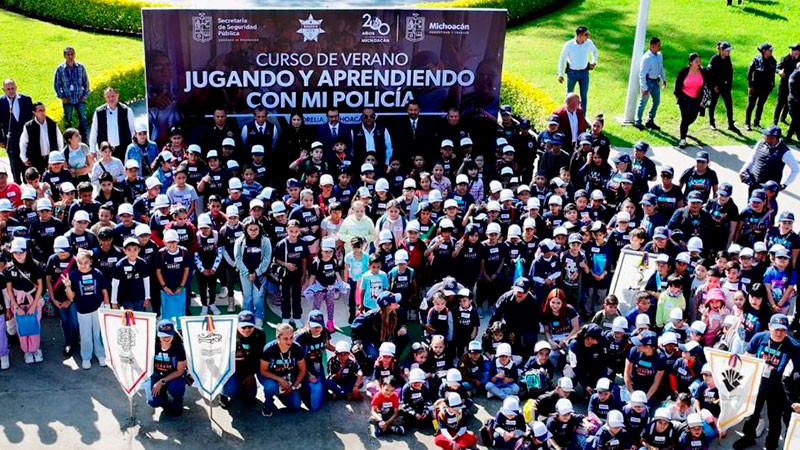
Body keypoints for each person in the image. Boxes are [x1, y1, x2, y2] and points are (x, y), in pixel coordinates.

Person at [733, 314, 800, 450]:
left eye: (783, 330)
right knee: (752, 414)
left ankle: (771, 444)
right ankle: (748, 438)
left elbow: (797, 372)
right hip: (757, 385)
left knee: (774, 419)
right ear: (769, 327)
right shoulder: (759, 338)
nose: (780, 333)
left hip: (778, 389)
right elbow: (747, 358)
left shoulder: (793, 346)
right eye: (776, 329)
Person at [63, 249, 109, 369]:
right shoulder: (73, 275)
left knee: (98, 333)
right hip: (82, 309)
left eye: (86, 262)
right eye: (80, 262)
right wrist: (67, 286)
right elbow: (71, 297)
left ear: (90, 262)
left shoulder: (97, 273)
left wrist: (107, 305)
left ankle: (100, 354)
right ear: (77, 262)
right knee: (85, 335)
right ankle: (86, 357)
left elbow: (104, 290)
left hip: (97, 307)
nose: (83, 265)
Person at [5, 237, 44, 364]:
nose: (18, 255)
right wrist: (16, 306)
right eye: (15, 252)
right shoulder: (10, 268)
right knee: (21, 327)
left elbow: (40, 286)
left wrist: (33, 305)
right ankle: (26, 350)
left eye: (21, 252)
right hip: (18, 302)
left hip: (33, 300)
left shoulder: (35, 265)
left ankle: (35, 349)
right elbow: (9, 289)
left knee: (34, 325)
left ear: (26, 251)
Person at [219, 310, 266, 409]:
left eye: (250, 326)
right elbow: (221, 358)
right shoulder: (228, 334)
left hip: (248, 369)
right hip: (231, 369)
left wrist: (251, 374)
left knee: (250, 396)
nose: (247, 329)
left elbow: (258, 357)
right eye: (243, 327)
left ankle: (241, 387)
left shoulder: (260, 334)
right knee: (231, 390)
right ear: (237, 325)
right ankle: (222, 394)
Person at [259, 323, 307, 417]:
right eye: (285, 338)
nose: (289, 341)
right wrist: (280, 380)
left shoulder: (297, 348)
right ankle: (268, 402)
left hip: (288, 379)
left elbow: (302, 369)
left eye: (291, 337)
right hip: (270, 376)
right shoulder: (269, 349)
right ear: (278, 337)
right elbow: (263, 371)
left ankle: (281, 394)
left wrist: (293, 386)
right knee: (270, 387)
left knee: (295, 406)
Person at [739, 125, 799, 194]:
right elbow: (752, 158)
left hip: (769, 191)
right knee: (751, 204)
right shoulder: (760, 143)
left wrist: (785, 185)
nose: (763, 136)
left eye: (766, 135)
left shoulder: (784, 152)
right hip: (754, 184)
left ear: (773, 138)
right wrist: (742, 170)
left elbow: (795, 169)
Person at [234, 220, 272, 328]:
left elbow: (266, 258)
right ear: (246, 229)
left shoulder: (265, 241)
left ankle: (258, 316)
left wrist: (257, 272)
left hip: (260, 274)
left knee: (258, 296)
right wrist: (247, 272)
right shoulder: (240, 241)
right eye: (250, 229)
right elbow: (238, 258)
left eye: (256, 229)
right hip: (245, 274)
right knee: (247, 296)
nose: (253, 232)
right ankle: (247, 316)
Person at [148, 319, 187, 416]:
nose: (166, 338)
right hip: (156, 375)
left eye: (169, 335)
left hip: (174, 375)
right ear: (157, 335)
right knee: (153, 401)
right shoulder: (151, 345)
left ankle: (178, 400)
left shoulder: (179, 347)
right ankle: (163, 397)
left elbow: (180, 371)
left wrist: (161, 382)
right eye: (163, 335)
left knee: (176, 388)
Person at [557, 26, 598, 113]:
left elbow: (595, 51)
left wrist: (594, 62)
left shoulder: (588, 43)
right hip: (572, 73)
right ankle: (567, 114)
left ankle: (582, 117)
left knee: (584, 96)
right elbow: (562, 58)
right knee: (569, 95)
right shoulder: (569, 45)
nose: (587, 36)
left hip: (584, 72)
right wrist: (560, 74)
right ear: (579, 35)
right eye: (586, 34)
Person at [0, 79, 34, 183]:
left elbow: (32, 119)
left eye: (12, 88)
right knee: (15, 166)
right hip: (11, 140)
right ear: (3, 90)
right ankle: (17, 185)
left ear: (16, 87)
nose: (11, 91)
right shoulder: (1, 102)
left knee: (26, 164)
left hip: (26, 138)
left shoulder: (26, 100)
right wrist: (1, 140)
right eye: (8, 89)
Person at [673, 53, 710, 149]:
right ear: (690, 62)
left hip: (696, 99)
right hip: (684, 98)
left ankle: (684, 127)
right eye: (696, 61)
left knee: (693, 117)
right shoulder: (684, 72)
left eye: (699, 61)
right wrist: (677, 95)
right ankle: (682, 140)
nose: (699, 63)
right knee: (685, 118)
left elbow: (710, 81)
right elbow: (678, 84)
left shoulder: (703, 72)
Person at [88, 87, 136, 159]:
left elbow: (132, 130)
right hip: (105, 150)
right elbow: (94, 131)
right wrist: (92, 150)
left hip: (123, 148)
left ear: (117, 96)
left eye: (113, 96)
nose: (111, 99)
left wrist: (134, 147)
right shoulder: (99, 112)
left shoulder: (126, 110)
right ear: (105, 98)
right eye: (108, 97)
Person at [53, 46, 89, 139]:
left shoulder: (81, 67)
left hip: (79, 98)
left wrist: (85, 95)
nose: (70, 56)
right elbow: (57, 84)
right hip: (68, 100)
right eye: (68, 54)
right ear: (64, 56)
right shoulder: (60, 69)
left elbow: (86, 82)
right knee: (68, 120)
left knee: (82, 119)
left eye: (72, 54)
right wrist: (62, 97)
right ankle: (69, 140)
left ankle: (84, 138)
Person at [19, 102, 63, 174]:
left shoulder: (52, 123)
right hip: (36, 158)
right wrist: (24, 158)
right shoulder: (29, 126)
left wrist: (59, 154)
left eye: (44, 110)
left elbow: (59, 139)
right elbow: (23, 143)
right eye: (40, 110)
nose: (43, 112)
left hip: (50, 157)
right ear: (34, 112)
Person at [636, 36, 667, 130]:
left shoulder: (659, 55)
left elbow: (661, 67)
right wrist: (644, 88)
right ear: (652, 46)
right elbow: (642, 74)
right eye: (658, 45)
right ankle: (638, 122)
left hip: (655, 81)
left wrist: (664, 79)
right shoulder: (646, 58)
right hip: (648, 82)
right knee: (643, 102)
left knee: (656, 101)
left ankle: (650, 120)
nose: (660, 47)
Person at [744, 43, 777, 132]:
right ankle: (747, 123)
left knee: (760, 105)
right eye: (769, 50)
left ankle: (757, 123)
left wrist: (772, 84)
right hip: (755, 87)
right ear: (764, 51)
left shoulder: (772, 60)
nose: (771, 51)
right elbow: (749, 74)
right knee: (751, 104)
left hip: (766, 87)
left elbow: (772, 73)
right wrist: (750, 86)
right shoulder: (756, 60)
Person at [707, 41, 738, 132]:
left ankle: (730, 124)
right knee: (713, 104)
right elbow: (709, 74)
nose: (729, 52)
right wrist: (714, 86)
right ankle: (712, 122)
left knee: (729, 105)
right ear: (721, 50)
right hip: (715, 86)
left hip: (725, 86)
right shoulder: (714, 59)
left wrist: (729, 85)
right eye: (727, 50)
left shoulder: (728, 59)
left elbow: (730, 73)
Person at [774, 43, 800, 126]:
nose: (792, 51)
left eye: (794, 50)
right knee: (780, 103)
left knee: (788, 104)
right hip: (784, 85)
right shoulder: (786, 58)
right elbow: (777, 67)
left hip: (794, 87)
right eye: (792, 50)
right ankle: (775, 121)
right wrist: (779, 72)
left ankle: (783, 118)